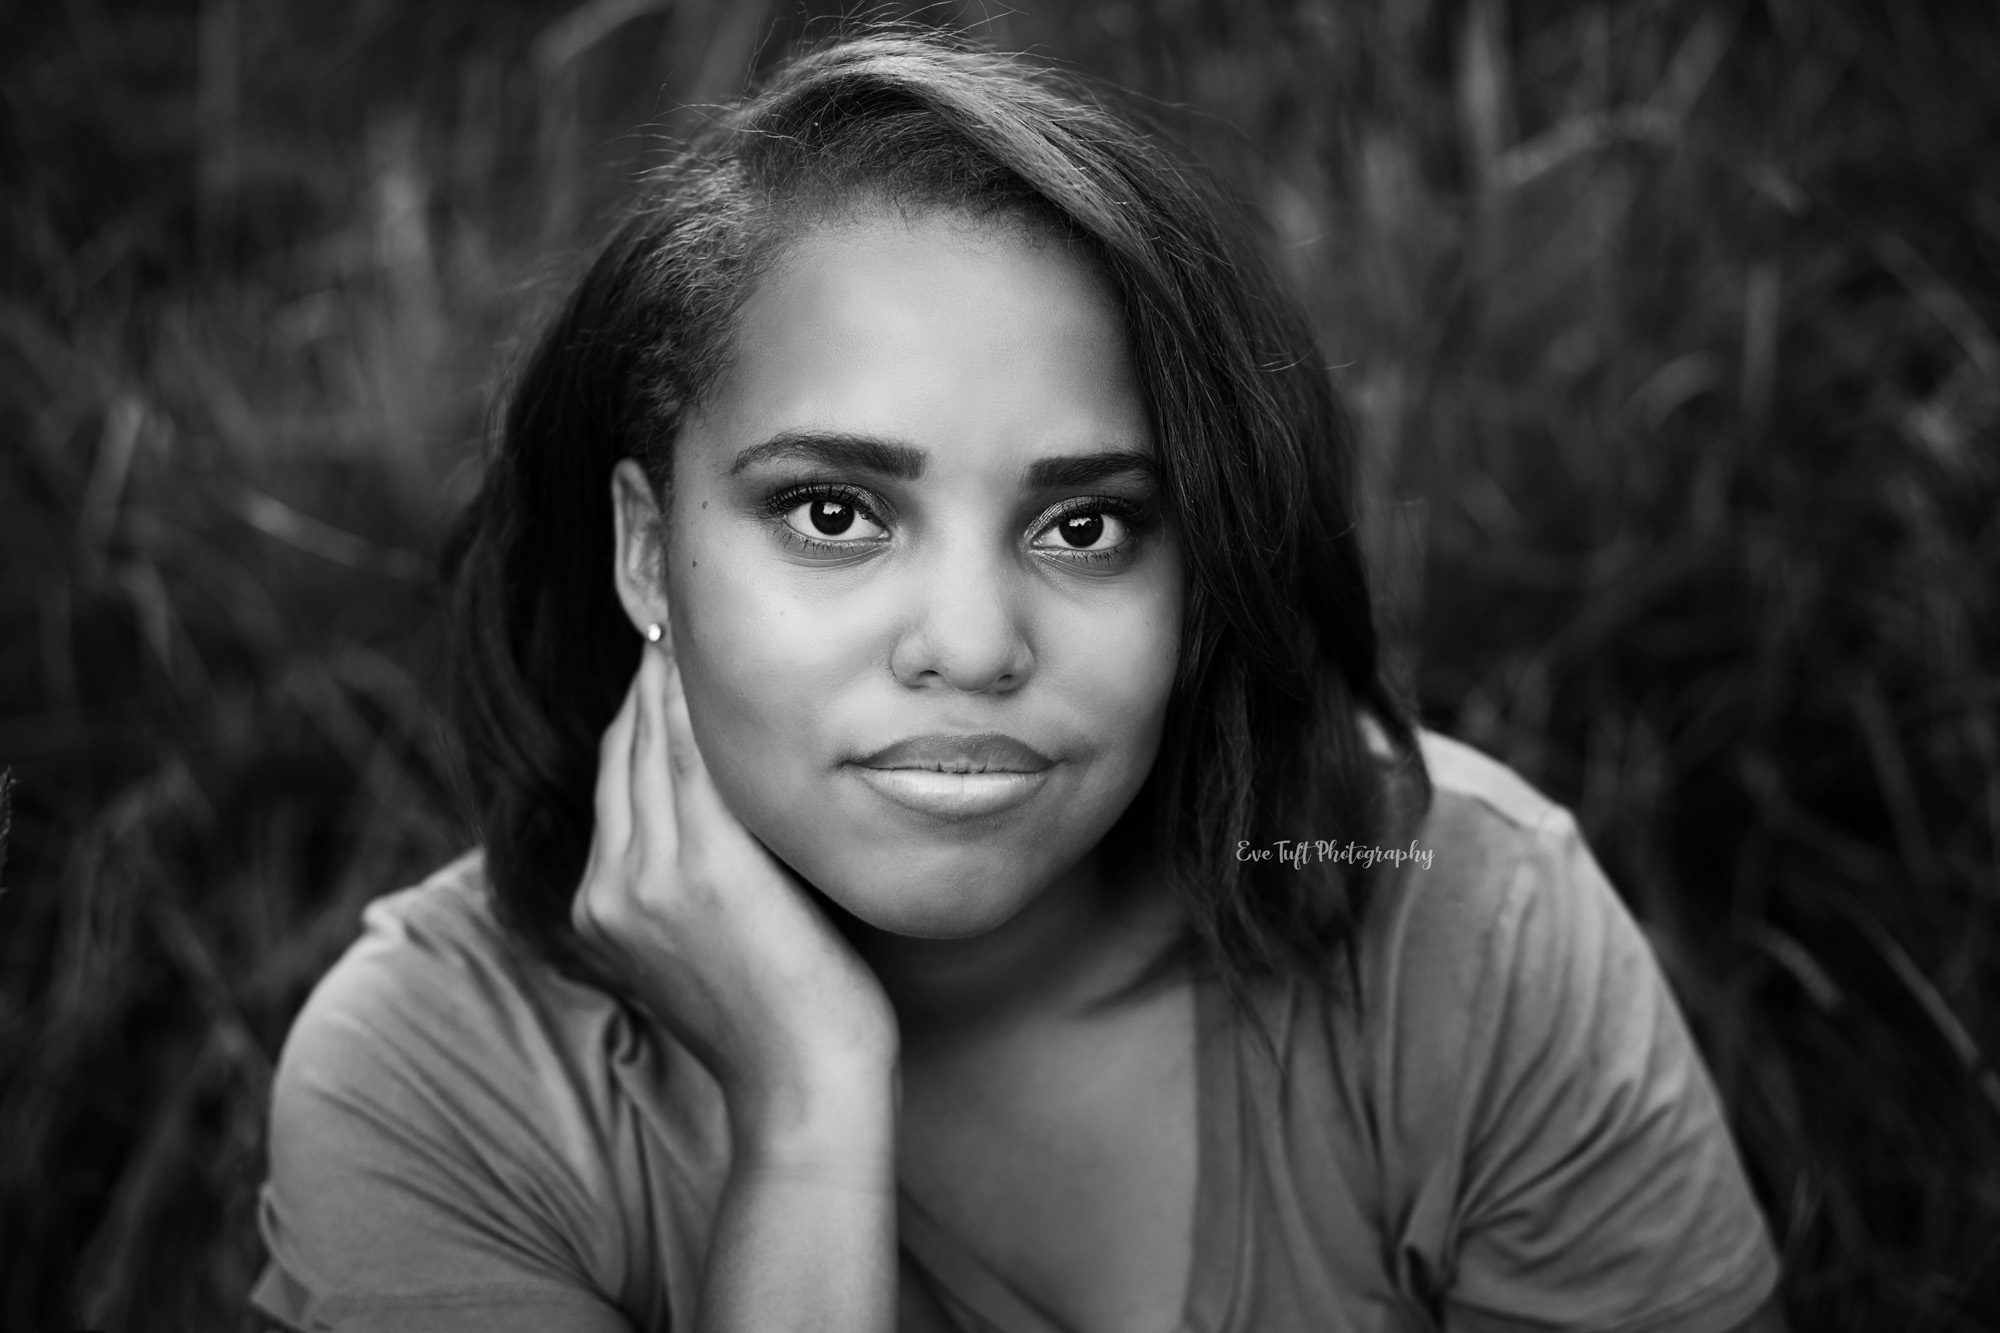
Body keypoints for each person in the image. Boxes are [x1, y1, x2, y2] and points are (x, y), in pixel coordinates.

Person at [249, 29, 1784, 1333]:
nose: (974, 644)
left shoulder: (1451, 916)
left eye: (1086, 523)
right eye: (835, 513)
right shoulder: (436, 1081)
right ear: (648, 554)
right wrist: (809, 1107)